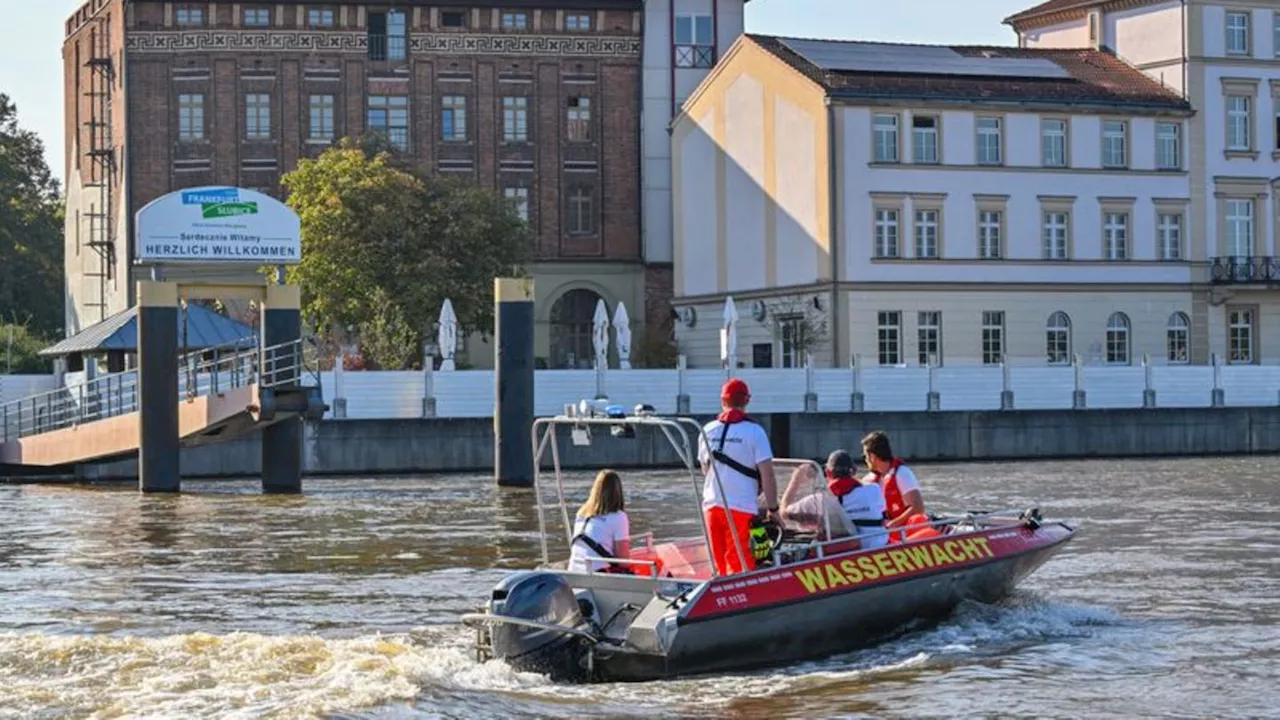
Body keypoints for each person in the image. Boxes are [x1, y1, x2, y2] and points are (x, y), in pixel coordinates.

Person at [697, 378, 779, 576]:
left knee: (719, 560)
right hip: (740, 507)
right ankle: (742, 597)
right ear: (747, 401)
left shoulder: (707, 430)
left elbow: (704, 470)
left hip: (711, 505)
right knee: (740, 562)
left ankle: (719, 595)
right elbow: (767, 475)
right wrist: (773, 509)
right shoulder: (754, 431)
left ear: (722, 401)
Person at [860, 431, 938, 543]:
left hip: (904, 531)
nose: (865, 460)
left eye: (865, 456)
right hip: (885, 532)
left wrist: (893, 524)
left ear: (872, 456)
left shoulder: (902, 474)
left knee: (918, 520)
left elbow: (918, 508)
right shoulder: (869, 480)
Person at [567, 469, 632, 574]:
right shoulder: (619, 517)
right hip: (598, 577)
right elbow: (623, 562)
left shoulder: (581, 512)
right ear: (618, 491)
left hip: (574, 573)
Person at [823, 449, 890, 549]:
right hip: (881, 546)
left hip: (851, 551)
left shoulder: (824, 499)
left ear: (828, 473)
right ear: (853, 471)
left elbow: (790, 511)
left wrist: (797, 480)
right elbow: (884, 516)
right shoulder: (874, 489)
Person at [779, 463, 853, 541]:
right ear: (852, 472)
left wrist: (795, 482)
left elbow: (784, 514)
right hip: (852, 544)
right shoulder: (864, 494)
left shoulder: (817, 500)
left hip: (825, 547)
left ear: (828, 473)